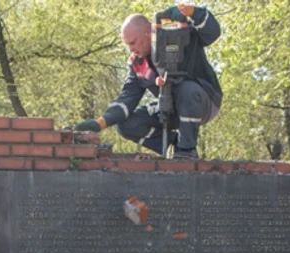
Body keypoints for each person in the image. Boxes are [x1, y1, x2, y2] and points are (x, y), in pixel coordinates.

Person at [73, 4, 222, 159]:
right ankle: (176, 143)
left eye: (133, 43)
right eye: (128, 45)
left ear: (147, 32)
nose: (131, 49)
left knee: (186, 90)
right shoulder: (138, 65)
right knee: (126, 125)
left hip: (204, 100)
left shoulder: (179, 37)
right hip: (170, 106)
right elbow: (127, 99)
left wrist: (191, 11)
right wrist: (100, 123)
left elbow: (213, 32)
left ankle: (186, 151)